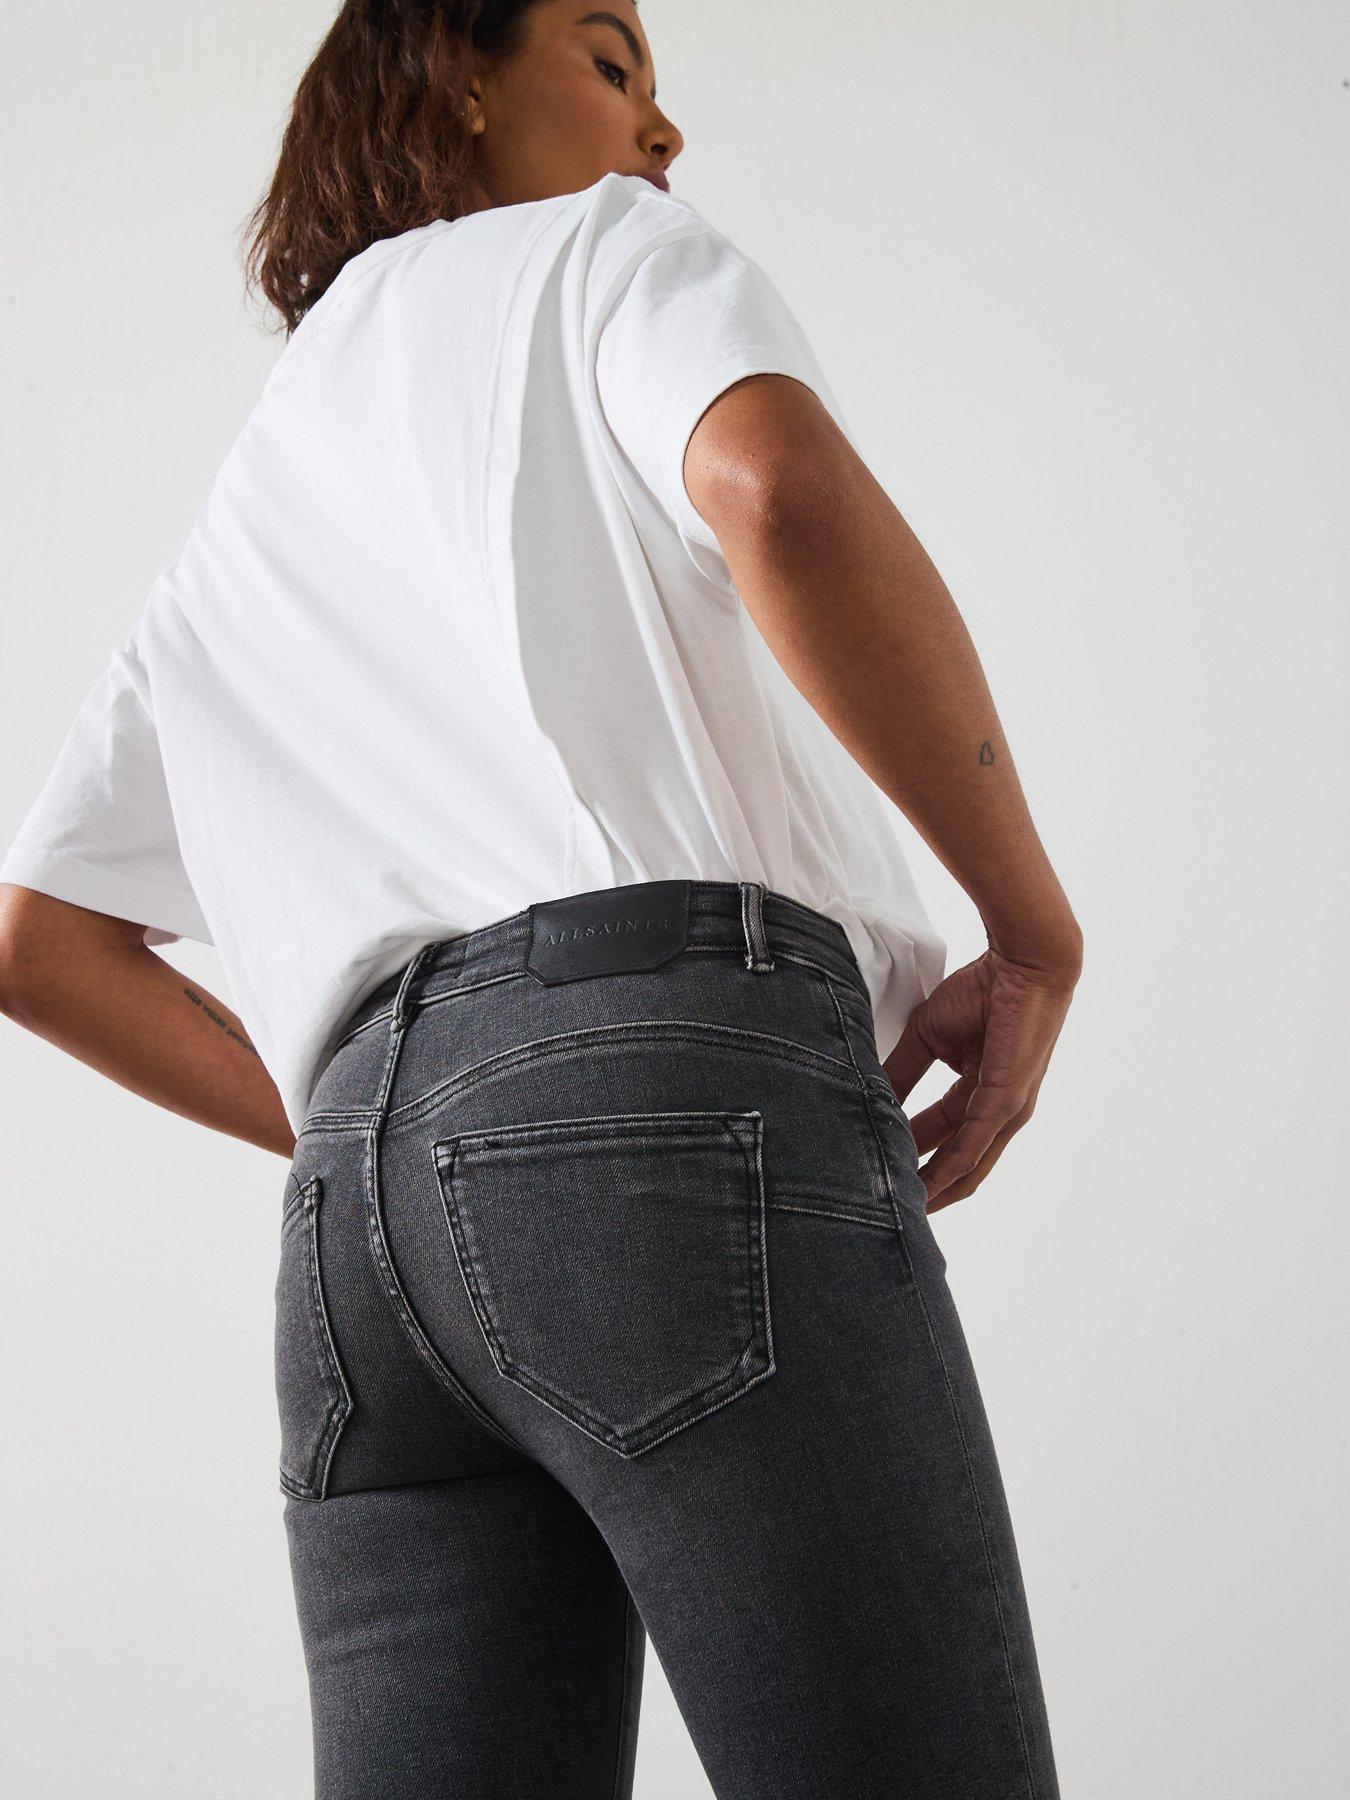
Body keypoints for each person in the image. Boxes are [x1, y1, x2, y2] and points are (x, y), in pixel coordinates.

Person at [0, 2, 1082, 1794]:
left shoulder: (265, 486)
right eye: (609, 61)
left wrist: (409, 1132)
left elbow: (40, 943)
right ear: (452, 74)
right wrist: (1029, 932)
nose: (662, 131)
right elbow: (775, 487)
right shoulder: (600, 253)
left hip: (356, 1250)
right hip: (664, 1103)